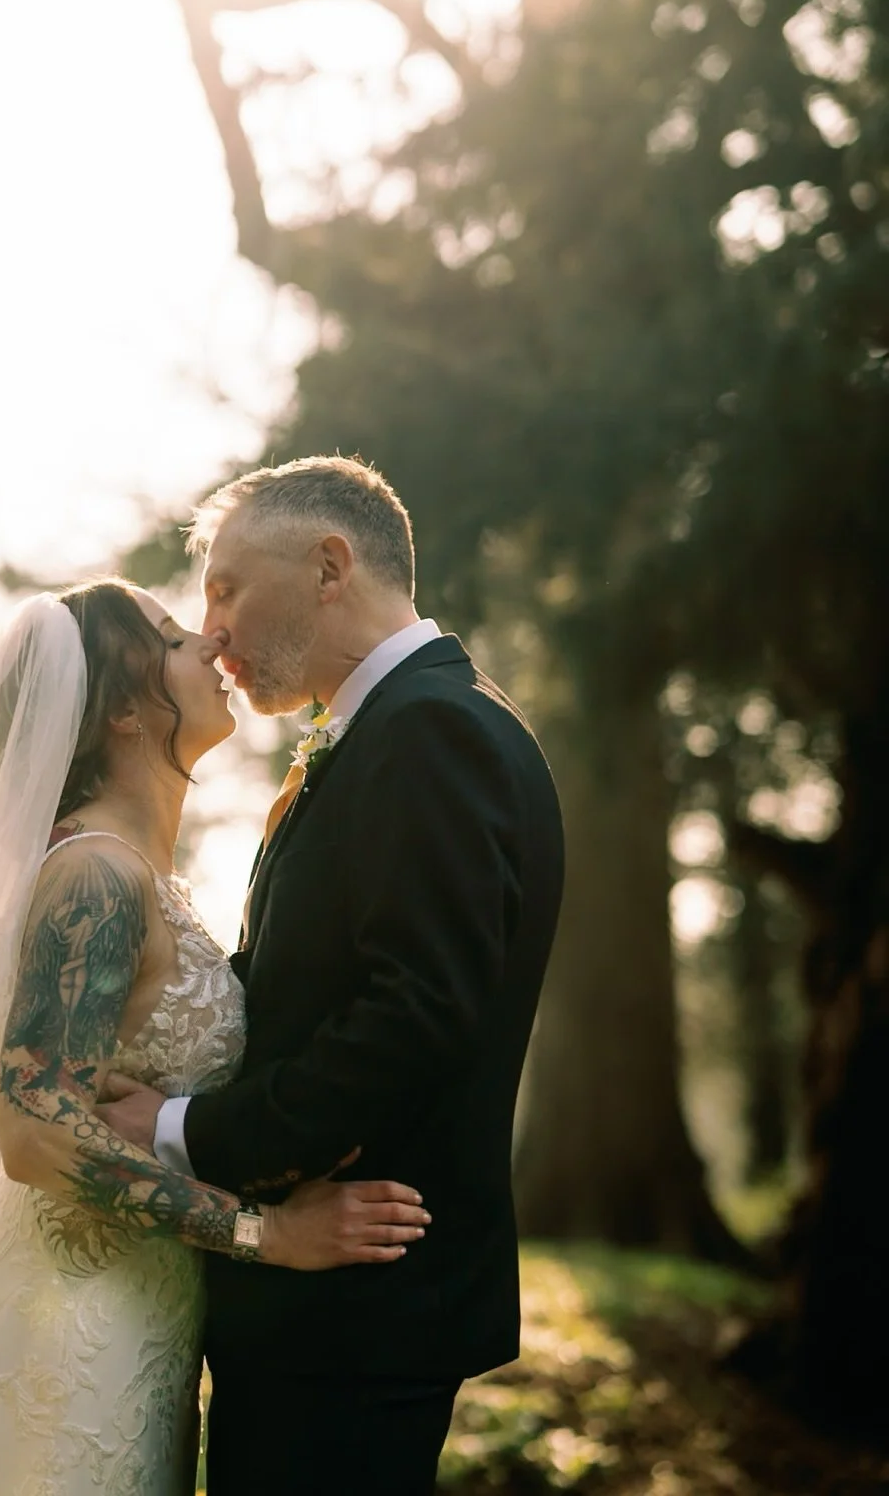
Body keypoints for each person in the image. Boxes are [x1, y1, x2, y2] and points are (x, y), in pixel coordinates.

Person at [0, 574, 430, 1494]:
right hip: (75, 1333)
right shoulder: (94, 878)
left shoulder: (143, 878)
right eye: (174, 637)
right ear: (124, 711)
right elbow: (35, 1129)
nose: (212, 643)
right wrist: (266, 1233)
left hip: (143, 1318)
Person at [100, 456, 565, 1495]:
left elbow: (414, 1013)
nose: (209, 626)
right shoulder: (390, 732)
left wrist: (182, 1133)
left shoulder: (430, 732)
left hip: (357, 1308)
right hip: (331, 1315)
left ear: (328, 565)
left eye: (227, 587)